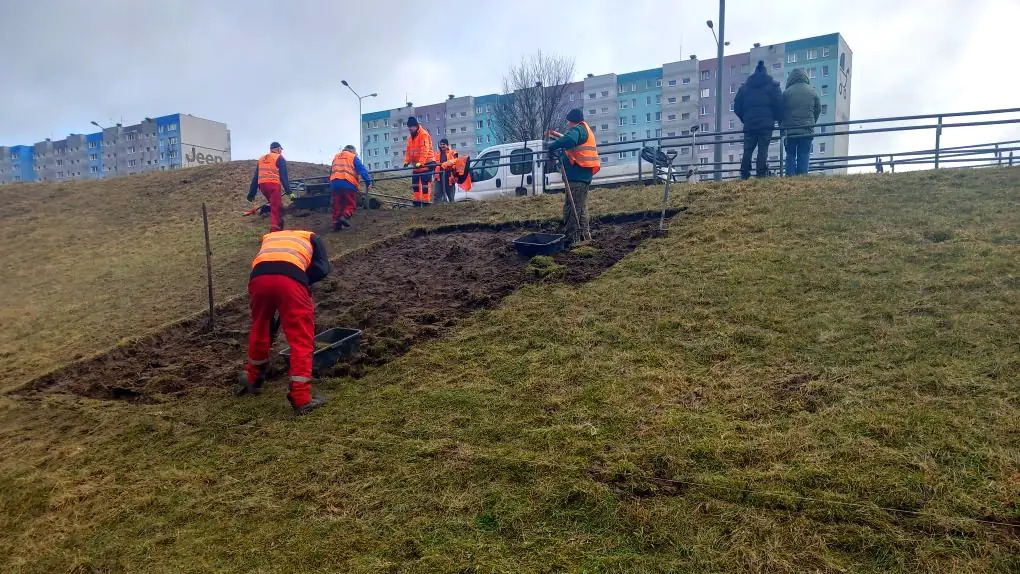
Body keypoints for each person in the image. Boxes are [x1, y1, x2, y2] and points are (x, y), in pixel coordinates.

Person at [238, 229, 331, 416]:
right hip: (290, 281)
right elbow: (322, 268)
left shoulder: (269, 237)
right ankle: (301, 398)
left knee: (260, 325)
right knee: (301, 338)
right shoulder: (313, 237)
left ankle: (252, 377)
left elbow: (269, 263)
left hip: (259, 278)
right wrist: (303, 281)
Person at [546, 108, 600, 244]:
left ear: (572, 121)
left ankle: (572, 239)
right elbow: (569, 139)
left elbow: (570, 139)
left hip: (577, 177)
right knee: (580, 208)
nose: (568, 125)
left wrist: (551, 147)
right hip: (582, 176)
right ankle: (584, 237)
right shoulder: (583, 129)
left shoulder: (578, 130)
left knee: (572, 208)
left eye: (569, 122)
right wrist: (557, 137)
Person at [734, 61, 783, 179]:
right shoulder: (773, 86)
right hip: (766, 124)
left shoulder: (744, 88)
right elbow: (779, 104)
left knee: (748, 149)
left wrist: (745, 119)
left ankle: (744, 173)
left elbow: (736, 107)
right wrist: (775, 118)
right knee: (763, 149)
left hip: (750, 123)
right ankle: (761, 173)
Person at [782, 68, 822, 176]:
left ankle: (790, 177)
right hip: (807, 129)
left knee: (790, 154)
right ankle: (802, 177)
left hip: (790, 131)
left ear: (790, 79)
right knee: (804, 154)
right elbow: (818, 109)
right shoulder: (812, 91)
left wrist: (783, 125)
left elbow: (781, 111)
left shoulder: (786, 93)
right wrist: (812, 122)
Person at [248, 142, 291, 231]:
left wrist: (252, 193)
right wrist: (289, 192)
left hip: (262, 186)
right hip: (273, 185)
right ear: (278, 149)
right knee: (275, 207)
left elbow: (256, 177)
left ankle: (279, 222)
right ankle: (274, 230)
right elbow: (283, 177)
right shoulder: (279, 158)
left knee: (275, 204)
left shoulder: (261, 159)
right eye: (281, 150)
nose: (281, 152)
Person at [329, 145, 372, 230]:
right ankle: (344, 217)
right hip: (348, 183)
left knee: (337, 204)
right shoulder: (353, 157)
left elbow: (331, 171)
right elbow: (362, 169)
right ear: (353, 151)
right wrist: (368, 182)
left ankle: (336, 224)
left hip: (335, 183)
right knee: (350, 203)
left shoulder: (336, 157)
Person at [403, 116, 435, 206]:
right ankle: (417, 201)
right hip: (417, 165)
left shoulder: (423, 134)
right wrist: (407, 161)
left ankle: (425, 202)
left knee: (425, 184)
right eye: (408, 127)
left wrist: (421, 162)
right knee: (415, 184)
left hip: (427, 162)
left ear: (416, 126)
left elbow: (425, 149)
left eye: (411, 127)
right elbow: (409, 151)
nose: (409, 129)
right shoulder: (410, 138)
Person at [434, 138, 459, 203]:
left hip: (449, 176)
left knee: (450, 194)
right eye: (441, 144)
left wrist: (447, 163)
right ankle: (437, 209)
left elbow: (457, 161)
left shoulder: (452, 153)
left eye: (443, 144)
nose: (442, 146)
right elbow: (434, 163)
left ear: (447, 145)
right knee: (437, 194)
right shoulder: (437, 154)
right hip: (439, 176)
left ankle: (452, 207)